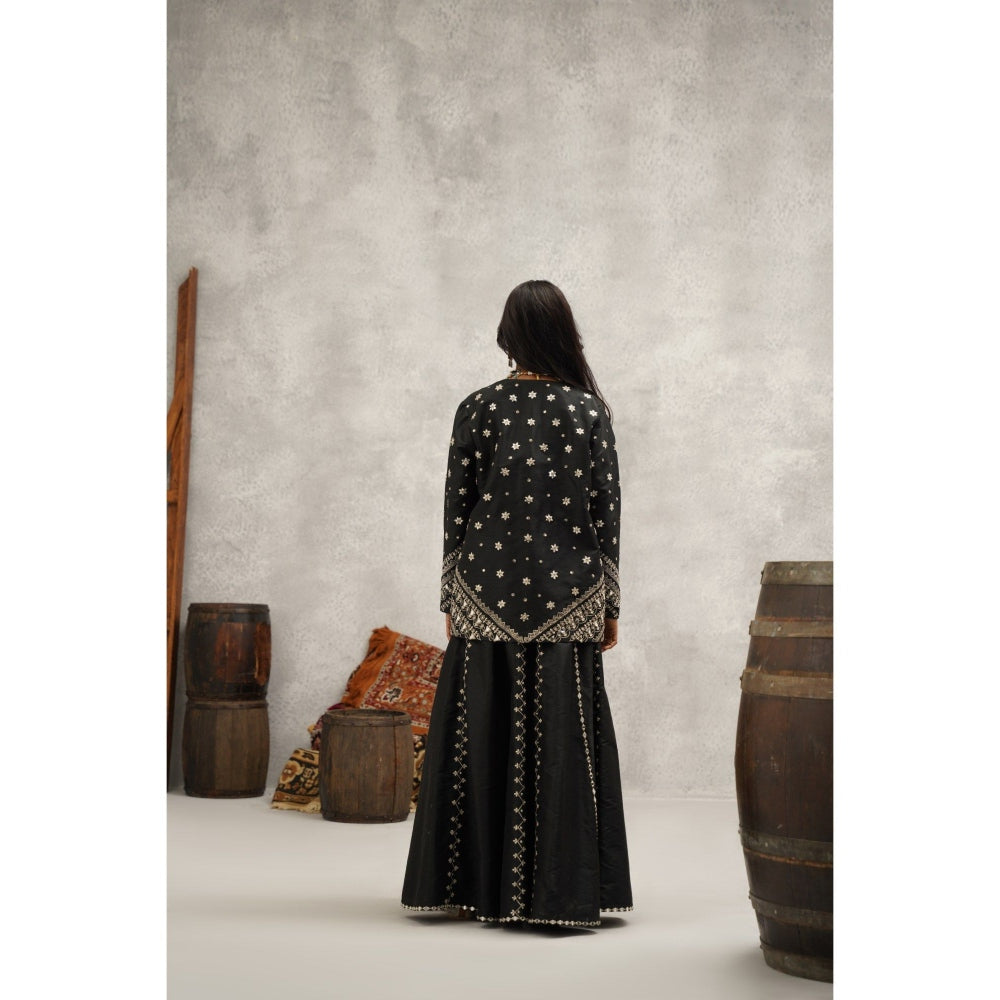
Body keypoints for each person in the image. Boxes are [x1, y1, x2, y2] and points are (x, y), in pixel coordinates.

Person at [401, 280, 633, 927]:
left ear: (507, 336)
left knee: (479, 736)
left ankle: (471, 891)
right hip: (569, 596)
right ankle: (562, 896)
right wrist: (610, 604)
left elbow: (457, 508)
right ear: (565, 334)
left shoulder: (477, 408)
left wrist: (451, 594)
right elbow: (605, 515)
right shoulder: (588, 412)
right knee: (563, 743)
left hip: (485, 594)